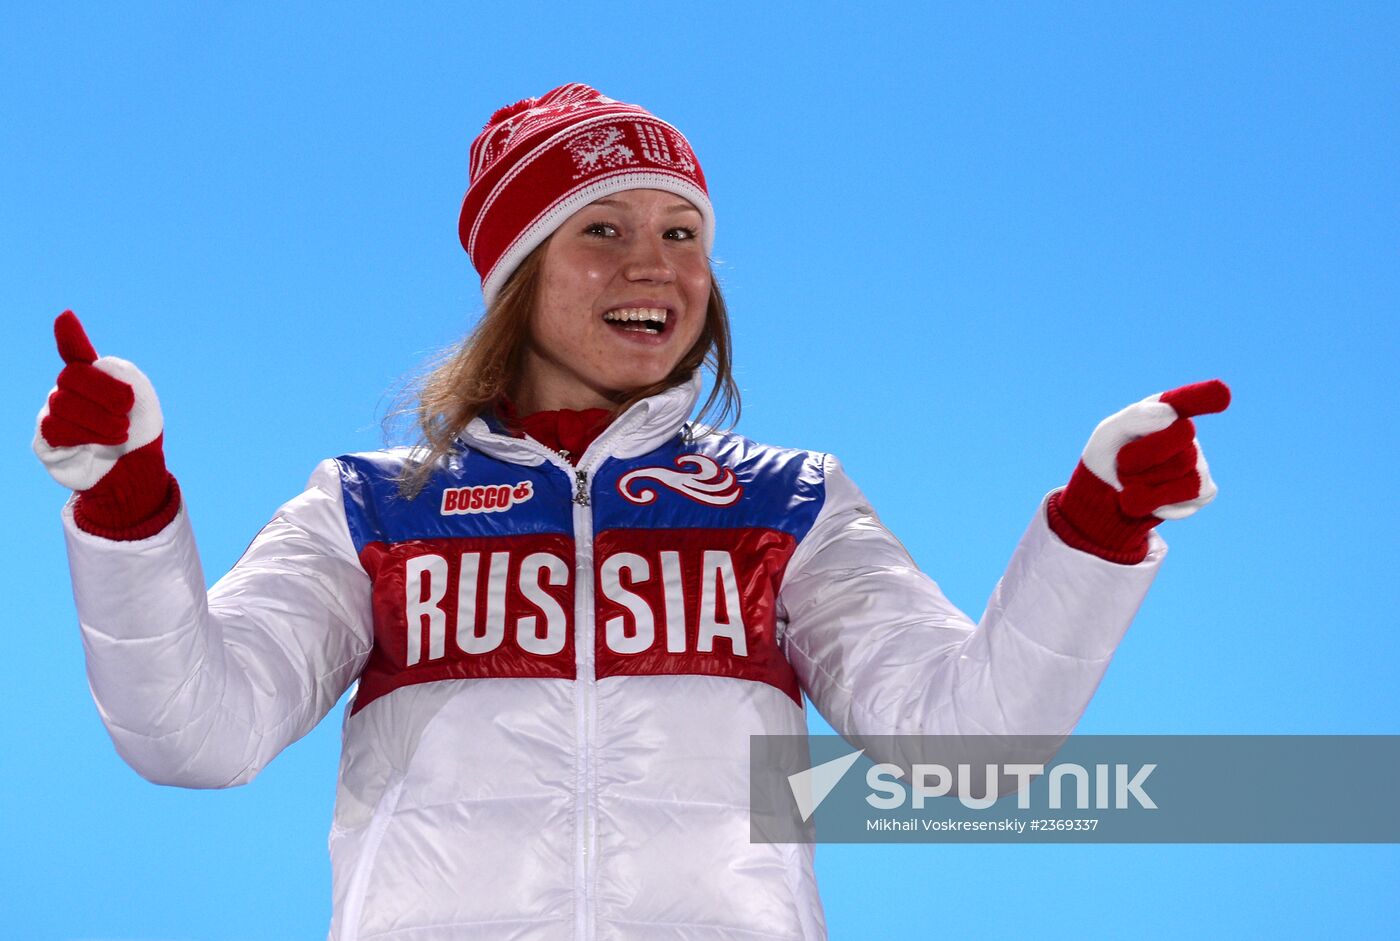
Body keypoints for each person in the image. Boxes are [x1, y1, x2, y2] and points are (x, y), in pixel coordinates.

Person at [34, 83, 1229, 941]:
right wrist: (128, 504)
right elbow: (197, 736)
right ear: (515, 277)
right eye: (600, 230)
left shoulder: (785, 501)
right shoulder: (372, 506)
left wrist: (1096, 525)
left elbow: (968, 746)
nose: (651, 264)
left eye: (681, 234)